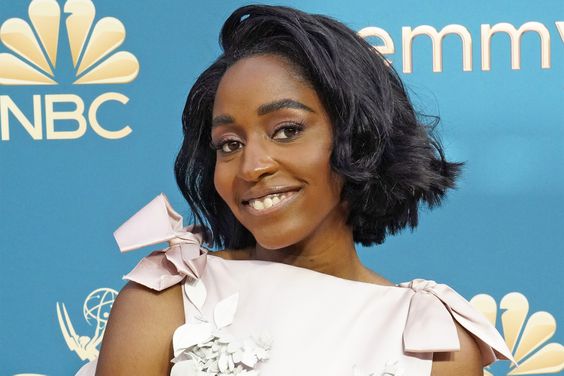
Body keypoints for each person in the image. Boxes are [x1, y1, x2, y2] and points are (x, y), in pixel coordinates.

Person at [77, 4, 513, 376]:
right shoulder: (164, 301)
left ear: (357, 139)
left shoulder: (432, 340)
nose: (252, 166)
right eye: (229, 144)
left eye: (286, 130)